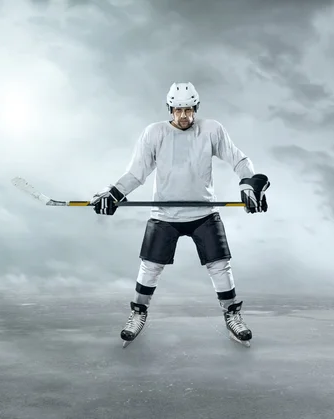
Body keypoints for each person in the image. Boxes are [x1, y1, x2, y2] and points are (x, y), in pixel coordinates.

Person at [90, 82, 270, 345]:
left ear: (195, 108)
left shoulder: (212, 130)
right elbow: (136, 173)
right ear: (170, 109)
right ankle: (138, 313)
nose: (183, 116)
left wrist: (248, 185)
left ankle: (232, 315)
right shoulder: (154, 133)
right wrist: (113, 194)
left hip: (204, 212)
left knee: (220, 265)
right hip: (165, 214)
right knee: (150, 267)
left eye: (188, 110)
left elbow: (239, 160)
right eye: (178, 110)